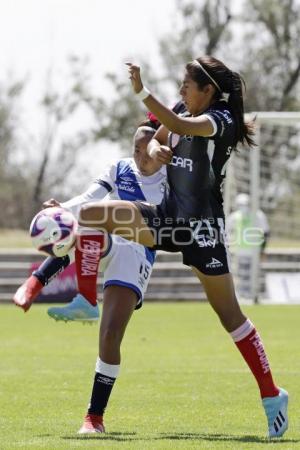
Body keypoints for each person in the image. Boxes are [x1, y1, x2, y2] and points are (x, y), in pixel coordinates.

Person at [76, 56, 288, 438]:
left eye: (185, 87)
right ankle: (86, 299)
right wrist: (158, 152)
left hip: (201, 231)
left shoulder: (219, 119)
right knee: (91, 213)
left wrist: (141, 91)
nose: (179, 92)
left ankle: (272, 395)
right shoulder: (181, 108)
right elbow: (159, 138)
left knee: (231, 318)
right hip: (168, 219)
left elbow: (178, 126)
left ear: (207, 91)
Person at [14, 124, 167, 433]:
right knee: (85, 223)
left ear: (158, 150)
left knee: (110, 336)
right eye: (135, 149)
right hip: (108, 238)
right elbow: (89, 196)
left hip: (138, 251)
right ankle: (38, 284)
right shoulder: (120, 167)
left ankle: (94, 417)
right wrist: (64, 209)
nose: (139, 157)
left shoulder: (172, 178)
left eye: (145, 151)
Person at [227, 193, 270, 302]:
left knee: (254, 276)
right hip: (239, 252)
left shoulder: (258, 215)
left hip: (254, 252)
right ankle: (242, 296)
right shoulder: (234, 217)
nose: (243, 206)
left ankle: (254, 296)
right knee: (241, 276)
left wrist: (262, 250)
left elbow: (265, 233)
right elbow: (225, 232)